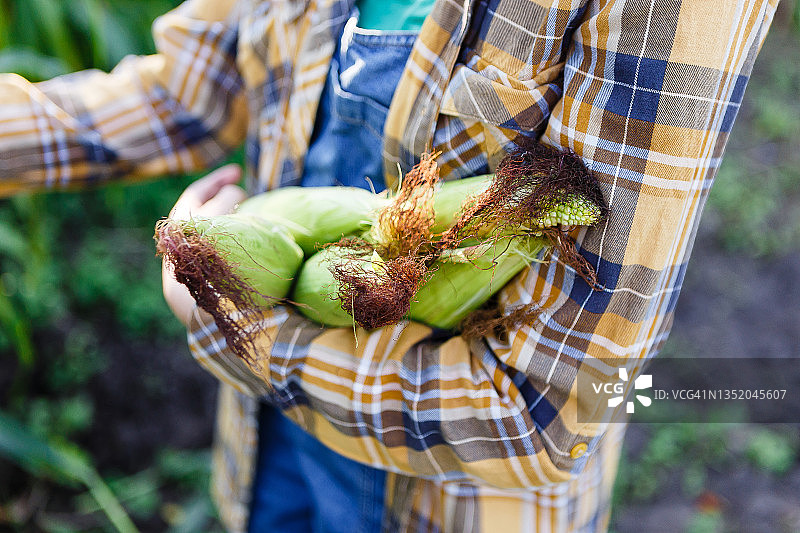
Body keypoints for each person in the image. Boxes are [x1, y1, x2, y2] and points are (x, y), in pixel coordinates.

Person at [0, 0, 778, 531]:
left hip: (455, 497)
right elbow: (192, 88)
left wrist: (233, 325)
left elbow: (552, 414)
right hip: (269, 450)